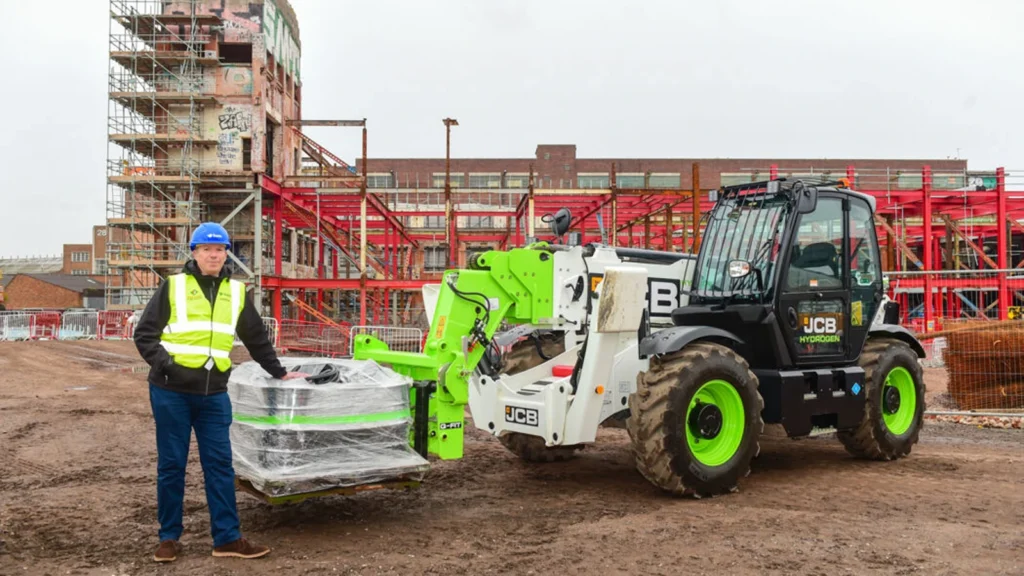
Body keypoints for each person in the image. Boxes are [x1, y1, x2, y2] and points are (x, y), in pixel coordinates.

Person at [133, 222, 308, 563]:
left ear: (226, 253)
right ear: (195, 253)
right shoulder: (174, 286)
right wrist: (165, 364)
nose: (213, 255)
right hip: (171, 392)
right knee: (172, 465)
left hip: (214, 395)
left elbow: (256, 337)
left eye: (219, 249)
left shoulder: (236, 292)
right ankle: (168, 538)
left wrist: (280, 372)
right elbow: (145, 335)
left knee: (220, 466)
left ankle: (227, 538)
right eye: (206, 249)